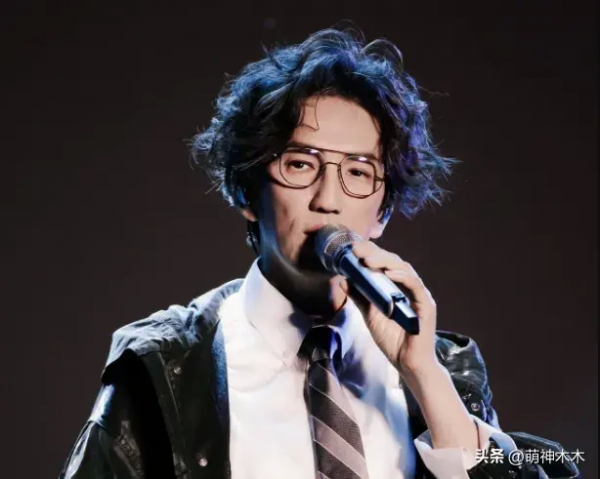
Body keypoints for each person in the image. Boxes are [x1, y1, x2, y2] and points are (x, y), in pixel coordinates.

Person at [60, 28, 580, 479]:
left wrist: (425, 376)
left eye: (358, 172)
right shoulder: (164, 367)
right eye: (301, 165)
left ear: (383, 210)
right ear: (246, 190)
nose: (328, 199)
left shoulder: (441, 369)